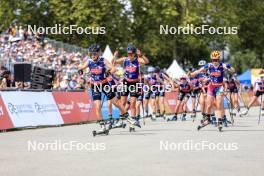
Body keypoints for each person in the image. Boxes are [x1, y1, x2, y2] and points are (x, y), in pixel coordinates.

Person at [78, 44, 127, 132]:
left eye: (95, 53)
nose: (93, 55)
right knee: (97, 106)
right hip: (95, 86)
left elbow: (114, 69)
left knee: (115, 102)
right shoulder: (89, 61)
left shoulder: (103, 60)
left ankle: (126, 115)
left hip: (105, 84)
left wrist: (108, 71)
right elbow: (81, 67)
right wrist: (80, 69)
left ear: (98, 53)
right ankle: (102, 126)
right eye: (91, 53)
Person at [189, 50, 235, 131]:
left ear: (219, 59)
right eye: (213, 60)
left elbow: (233, 71)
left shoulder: (222, 65)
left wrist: (229, 67)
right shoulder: (209, 65)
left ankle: (220, 121)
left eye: (216, 60)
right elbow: (199, 71)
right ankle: (207, 119)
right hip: (211, 87)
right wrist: (192, 74)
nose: (215, 61)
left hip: (219, 87)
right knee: (209, 104)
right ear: (211, 60)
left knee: (218, 104)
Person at [112, 45, 149, 126]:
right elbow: (114, 62)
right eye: (128, 54)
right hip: (126, 82)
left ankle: (133, 121)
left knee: (132, 103)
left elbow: (146, 62)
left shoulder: (138, 60)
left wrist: (141, 55)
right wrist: (114, 56)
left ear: (134, 54)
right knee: (123, 102)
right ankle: (120, 120)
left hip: (134, 83)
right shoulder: (124, 59)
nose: (130, 55)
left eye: (131, 54)